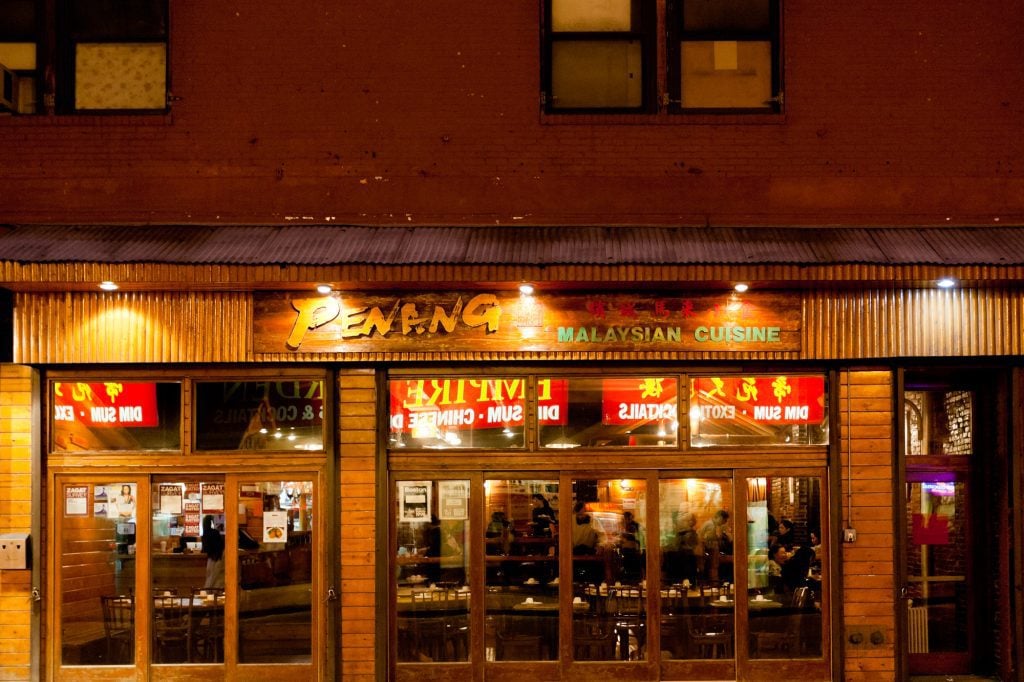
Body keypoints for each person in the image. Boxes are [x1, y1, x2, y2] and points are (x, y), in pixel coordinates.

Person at [699, 510, 732, 580]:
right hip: (710, 552)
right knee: (713, 567)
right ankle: (714, 583)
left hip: (708, 552)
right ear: (720, 518)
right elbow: (709, 541)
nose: (724, 522)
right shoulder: (710, 525)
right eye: (724, 520)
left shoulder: (710, 524)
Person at [202, 515, 225, 588]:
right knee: (215, 579)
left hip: (211, 558)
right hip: (218, 557)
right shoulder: (217, 533)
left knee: (210, 578)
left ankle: (207, 594)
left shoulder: (205, 533)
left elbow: (205, 549)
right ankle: (211, 595)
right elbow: (222, 543)